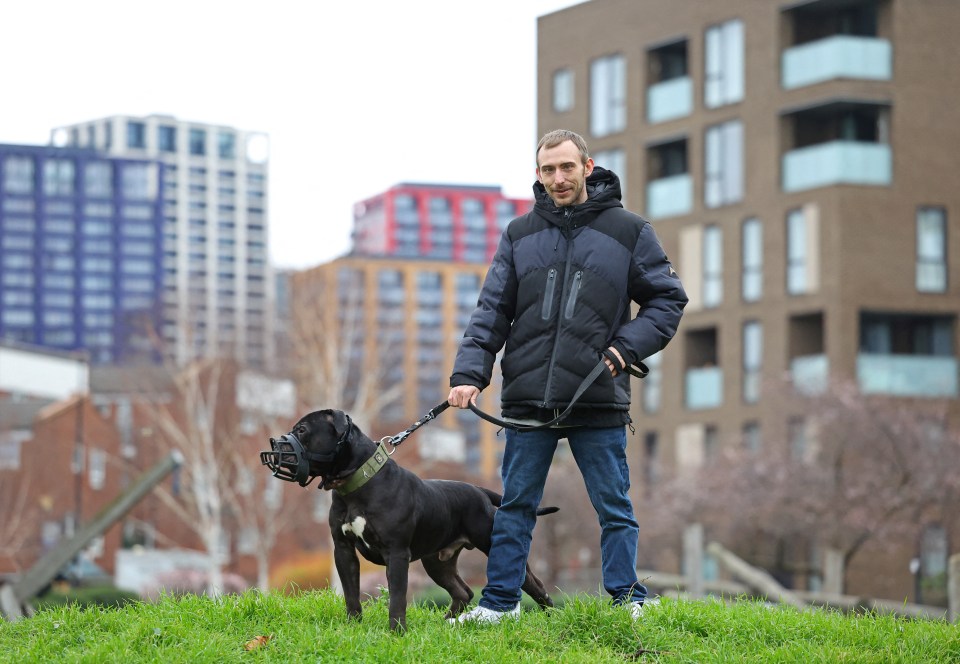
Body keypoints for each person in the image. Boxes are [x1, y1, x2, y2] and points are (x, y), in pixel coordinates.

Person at [447, 129, 687, 623]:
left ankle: (627, 598)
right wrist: (470, 372)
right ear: (538, 174)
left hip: (596, 394)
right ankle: (500, 605)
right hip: (529, 398)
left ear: (587, 167)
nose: (558, 178)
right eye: (548, 169)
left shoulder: (629, 230)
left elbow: (667, 301)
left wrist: (626, 348)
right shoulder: (519, 234)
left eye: (567, 167)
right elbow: (492, 310)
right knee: (514, 508)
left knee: (614, 507)